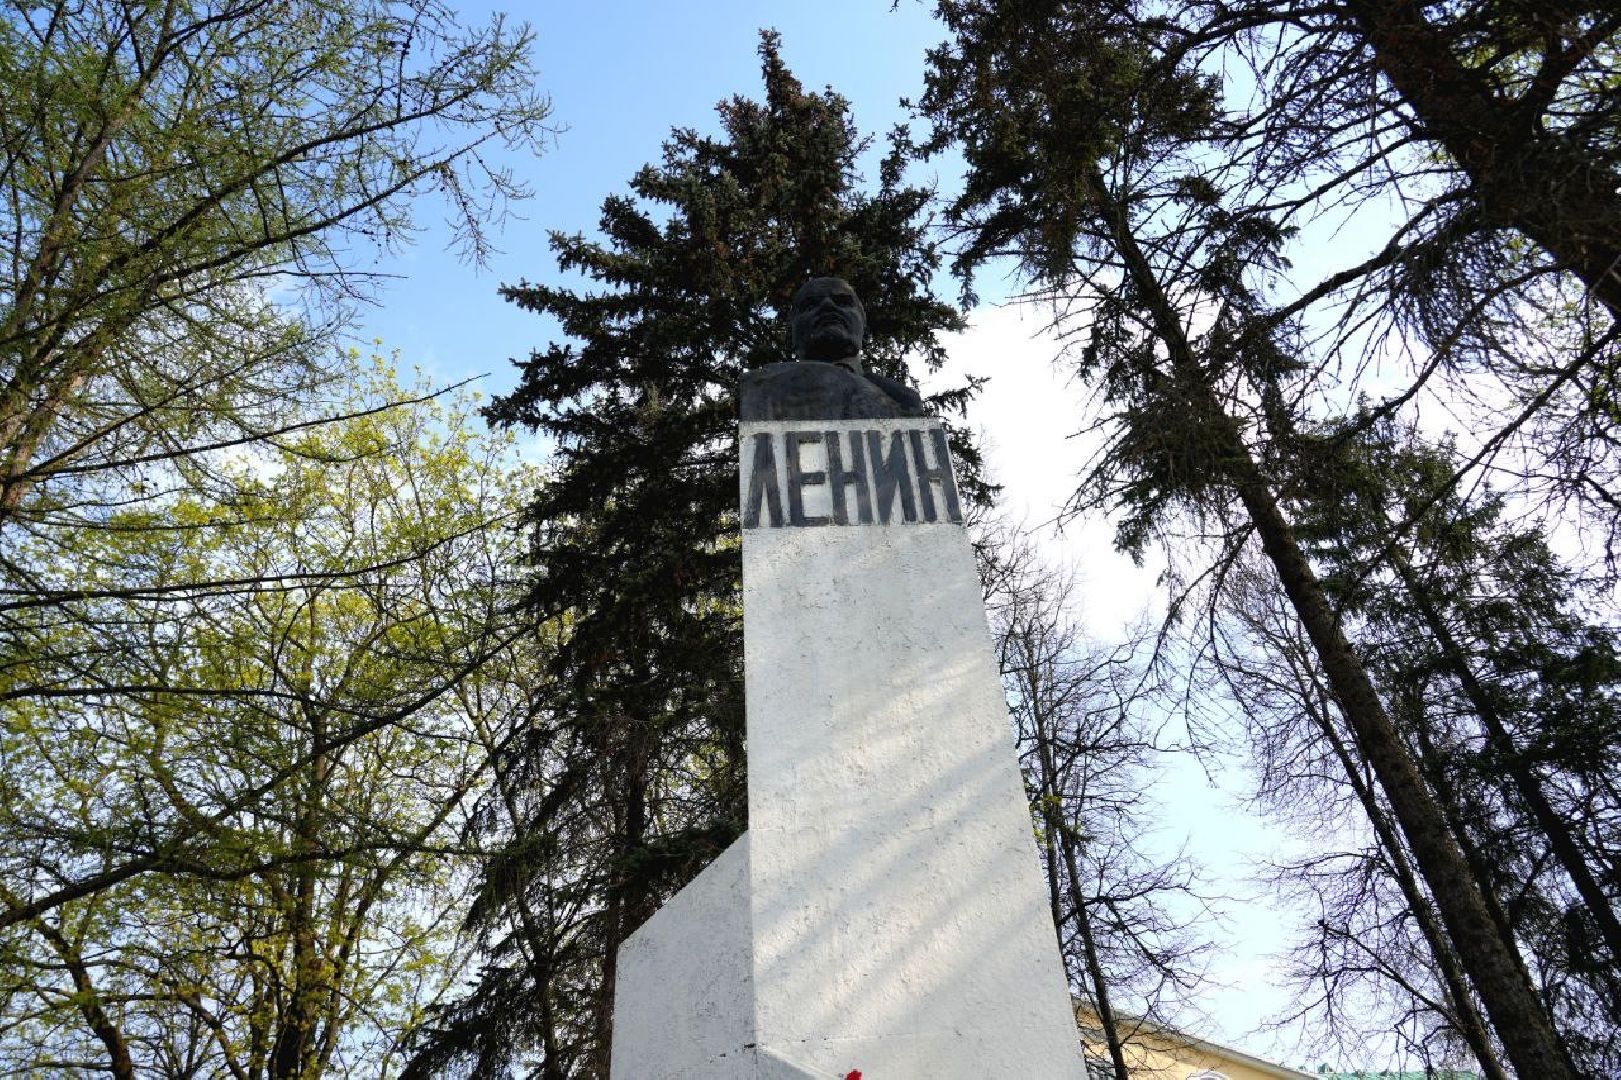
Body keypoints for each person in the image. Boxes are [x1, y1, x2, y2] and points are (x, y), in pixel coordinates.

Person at [739, 276, 928, 421]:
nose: (828, 305)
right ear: (792, 329)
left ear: (862, 322)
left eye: (843, 302)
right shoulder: (763, 386)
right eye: (811, 305)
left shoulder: (904, 401)